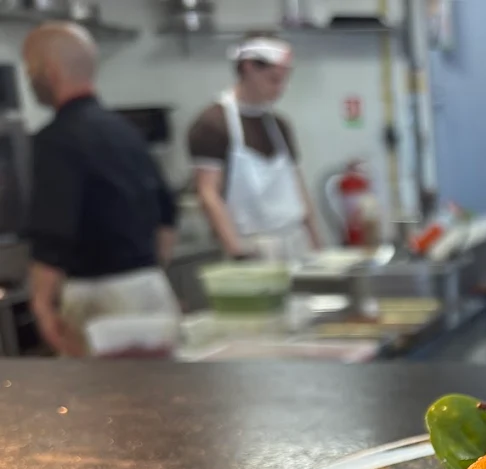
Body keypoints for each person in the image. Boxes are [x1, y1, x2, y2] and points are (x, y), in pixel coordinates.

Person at [22, 22, 180, 357]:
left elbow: (53, 232)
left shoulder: (55, 140)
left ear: (46, 71)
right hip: (151, 291)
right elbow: (168, 216)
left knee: (104, 407)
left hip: (98, 302)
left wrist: (42, 304)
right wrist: (146, 275)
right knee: (164, 401)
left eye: (29, 69)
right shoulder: (126, 131)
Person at [187, 33, 322, 262]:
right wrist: (238, 253)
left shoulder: (279, 125)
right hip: (250, 245)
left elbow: (297, 186)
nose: (281, 88)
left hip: (294, 240)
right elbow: (208, 194)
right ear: (249, 68)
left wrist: (317, 244)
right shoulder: (212, 123)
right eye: (274, 79)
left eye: (284, 79)